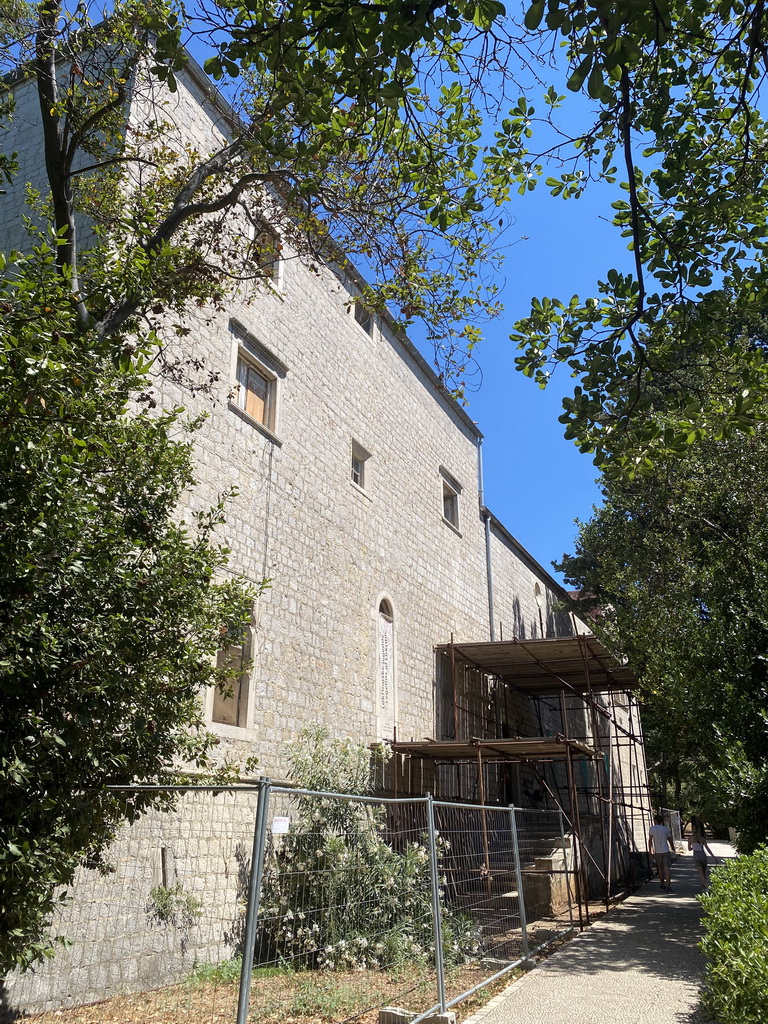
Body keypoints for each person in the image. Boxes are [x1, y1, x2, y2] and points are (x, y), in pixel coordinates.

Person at [649, 814, 675, 893]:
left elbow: (650, 840)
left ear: (655, 821)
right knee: (667, 869)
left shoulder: (652, 829)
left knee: (660, 869)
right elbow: (670, 840)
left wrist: (650, 850)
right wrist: (673, 848)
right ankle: (668, 885)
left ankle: (662, 884)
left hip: (658, 851)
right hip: (665, 850)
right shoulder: (665, 829)